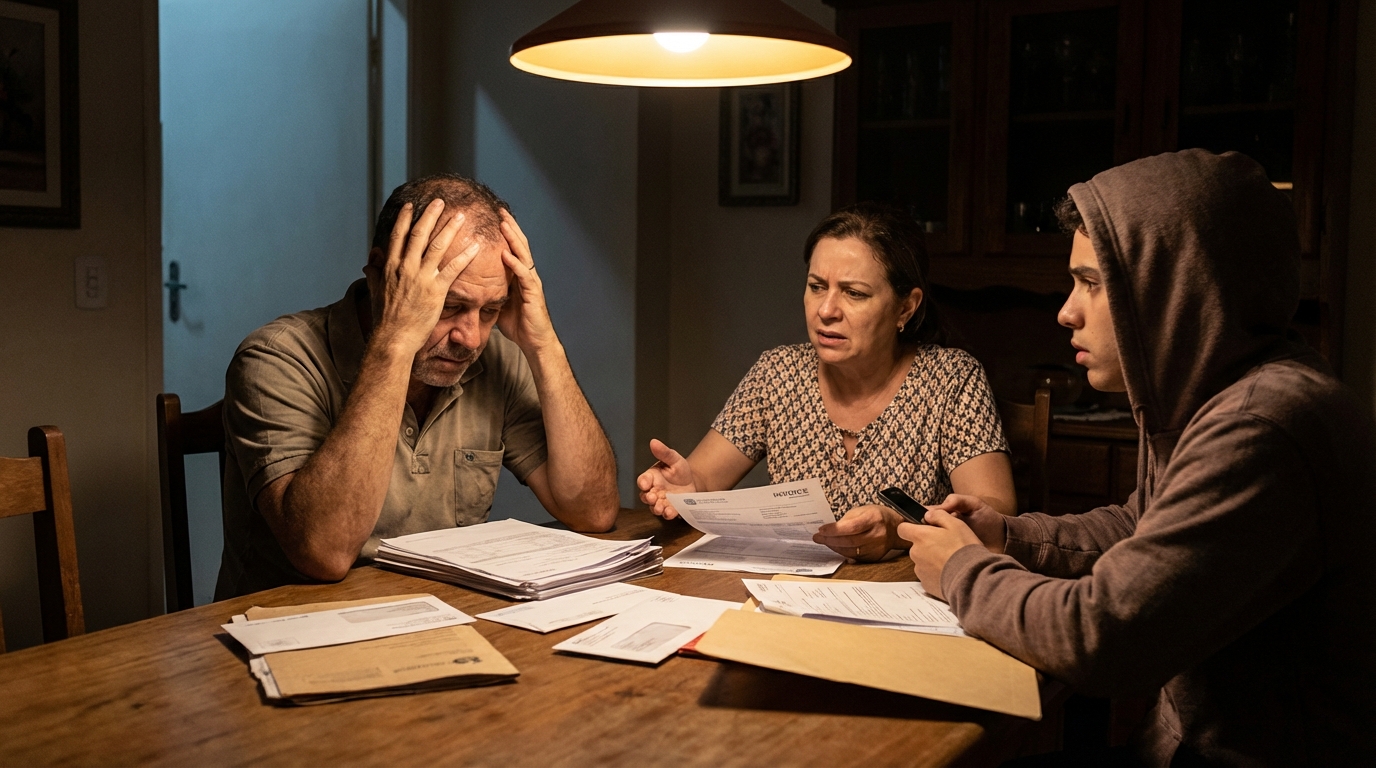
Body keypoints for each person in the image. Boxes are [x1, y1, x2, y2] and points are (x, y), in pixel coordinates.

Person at [901, 150, 1376, 764]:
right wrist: (1009, 537)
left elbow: (1101, 637)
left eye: (1092, 283)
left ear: (1175, 288)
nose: (1065, 311)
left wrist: (963, 572)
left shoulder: (1261, 427)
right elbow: (1141, 527)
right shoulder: (1223, 395)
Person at [214, 173, 620, 598]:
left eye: (490, 310)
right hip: (288, 629)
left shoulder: (496, 357)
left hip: (439, 617)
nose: (471, 338)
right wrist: (395, 342)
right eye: (449, 306)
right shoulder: (274, 358)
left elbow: (592, 511)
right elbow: (324, 553)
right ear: (381, 278)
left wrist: (544, 345)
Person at [637, 203, 1016, 562]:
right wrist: (687, 492)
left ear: (906, 307)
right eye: (817, 286)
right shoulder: (778, 373)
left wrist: (898, 529)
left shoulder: (950, 379)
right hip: (788, 593)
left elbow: (994, 516)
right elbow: (703, 479)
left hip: (906, 600)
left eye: (854, 293)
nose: (826, 310)